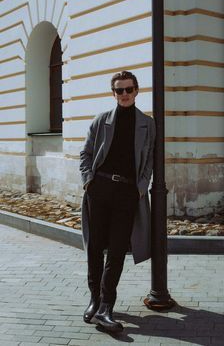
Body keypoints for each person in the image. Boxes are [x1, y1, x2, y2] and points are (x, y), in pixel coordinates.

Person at [79, 70, 156, 333]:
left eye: (128, 89)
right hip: (99, 189)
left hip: (126, 193)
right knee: (94, 246)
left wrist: (140, 189)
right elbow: (85, 153)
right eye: (119, 90)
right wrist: (88, 181)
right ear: (113, 93)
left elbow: (149, 162)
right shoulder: (101, 121)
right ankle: (95, 300)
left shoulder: (147, 123)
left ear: (137, 91)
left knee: (116, 251)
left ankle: (106, 307)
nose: (124, 94)